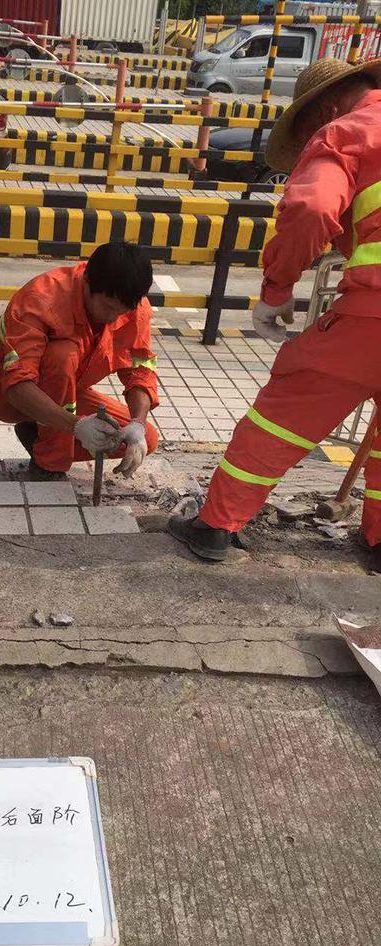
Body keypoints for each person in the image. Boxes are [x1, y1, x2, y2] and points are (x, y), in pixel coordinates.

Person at [169, 57, 381, 569]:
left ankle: (215, 527)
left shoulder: (346, 133)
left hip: (372, 316)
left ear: (324, 109)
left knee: (280, 419)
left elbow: (311, 208)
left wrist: (277, 289)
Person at [0, 241, 160, 479]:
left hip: (66, 390)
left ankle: (37, 435)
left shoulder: (134, 306)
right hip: (6, 393)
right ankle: (48, 464)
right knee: (63, 355)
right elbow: (16, 385)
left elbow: (140, 371)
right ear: (87, 283)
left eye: (121, 312)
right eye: (107, 307)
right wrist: (77, 426)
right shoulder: (40, 299)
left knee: (147, 438)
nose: (113, 318)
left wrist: (137, 423)